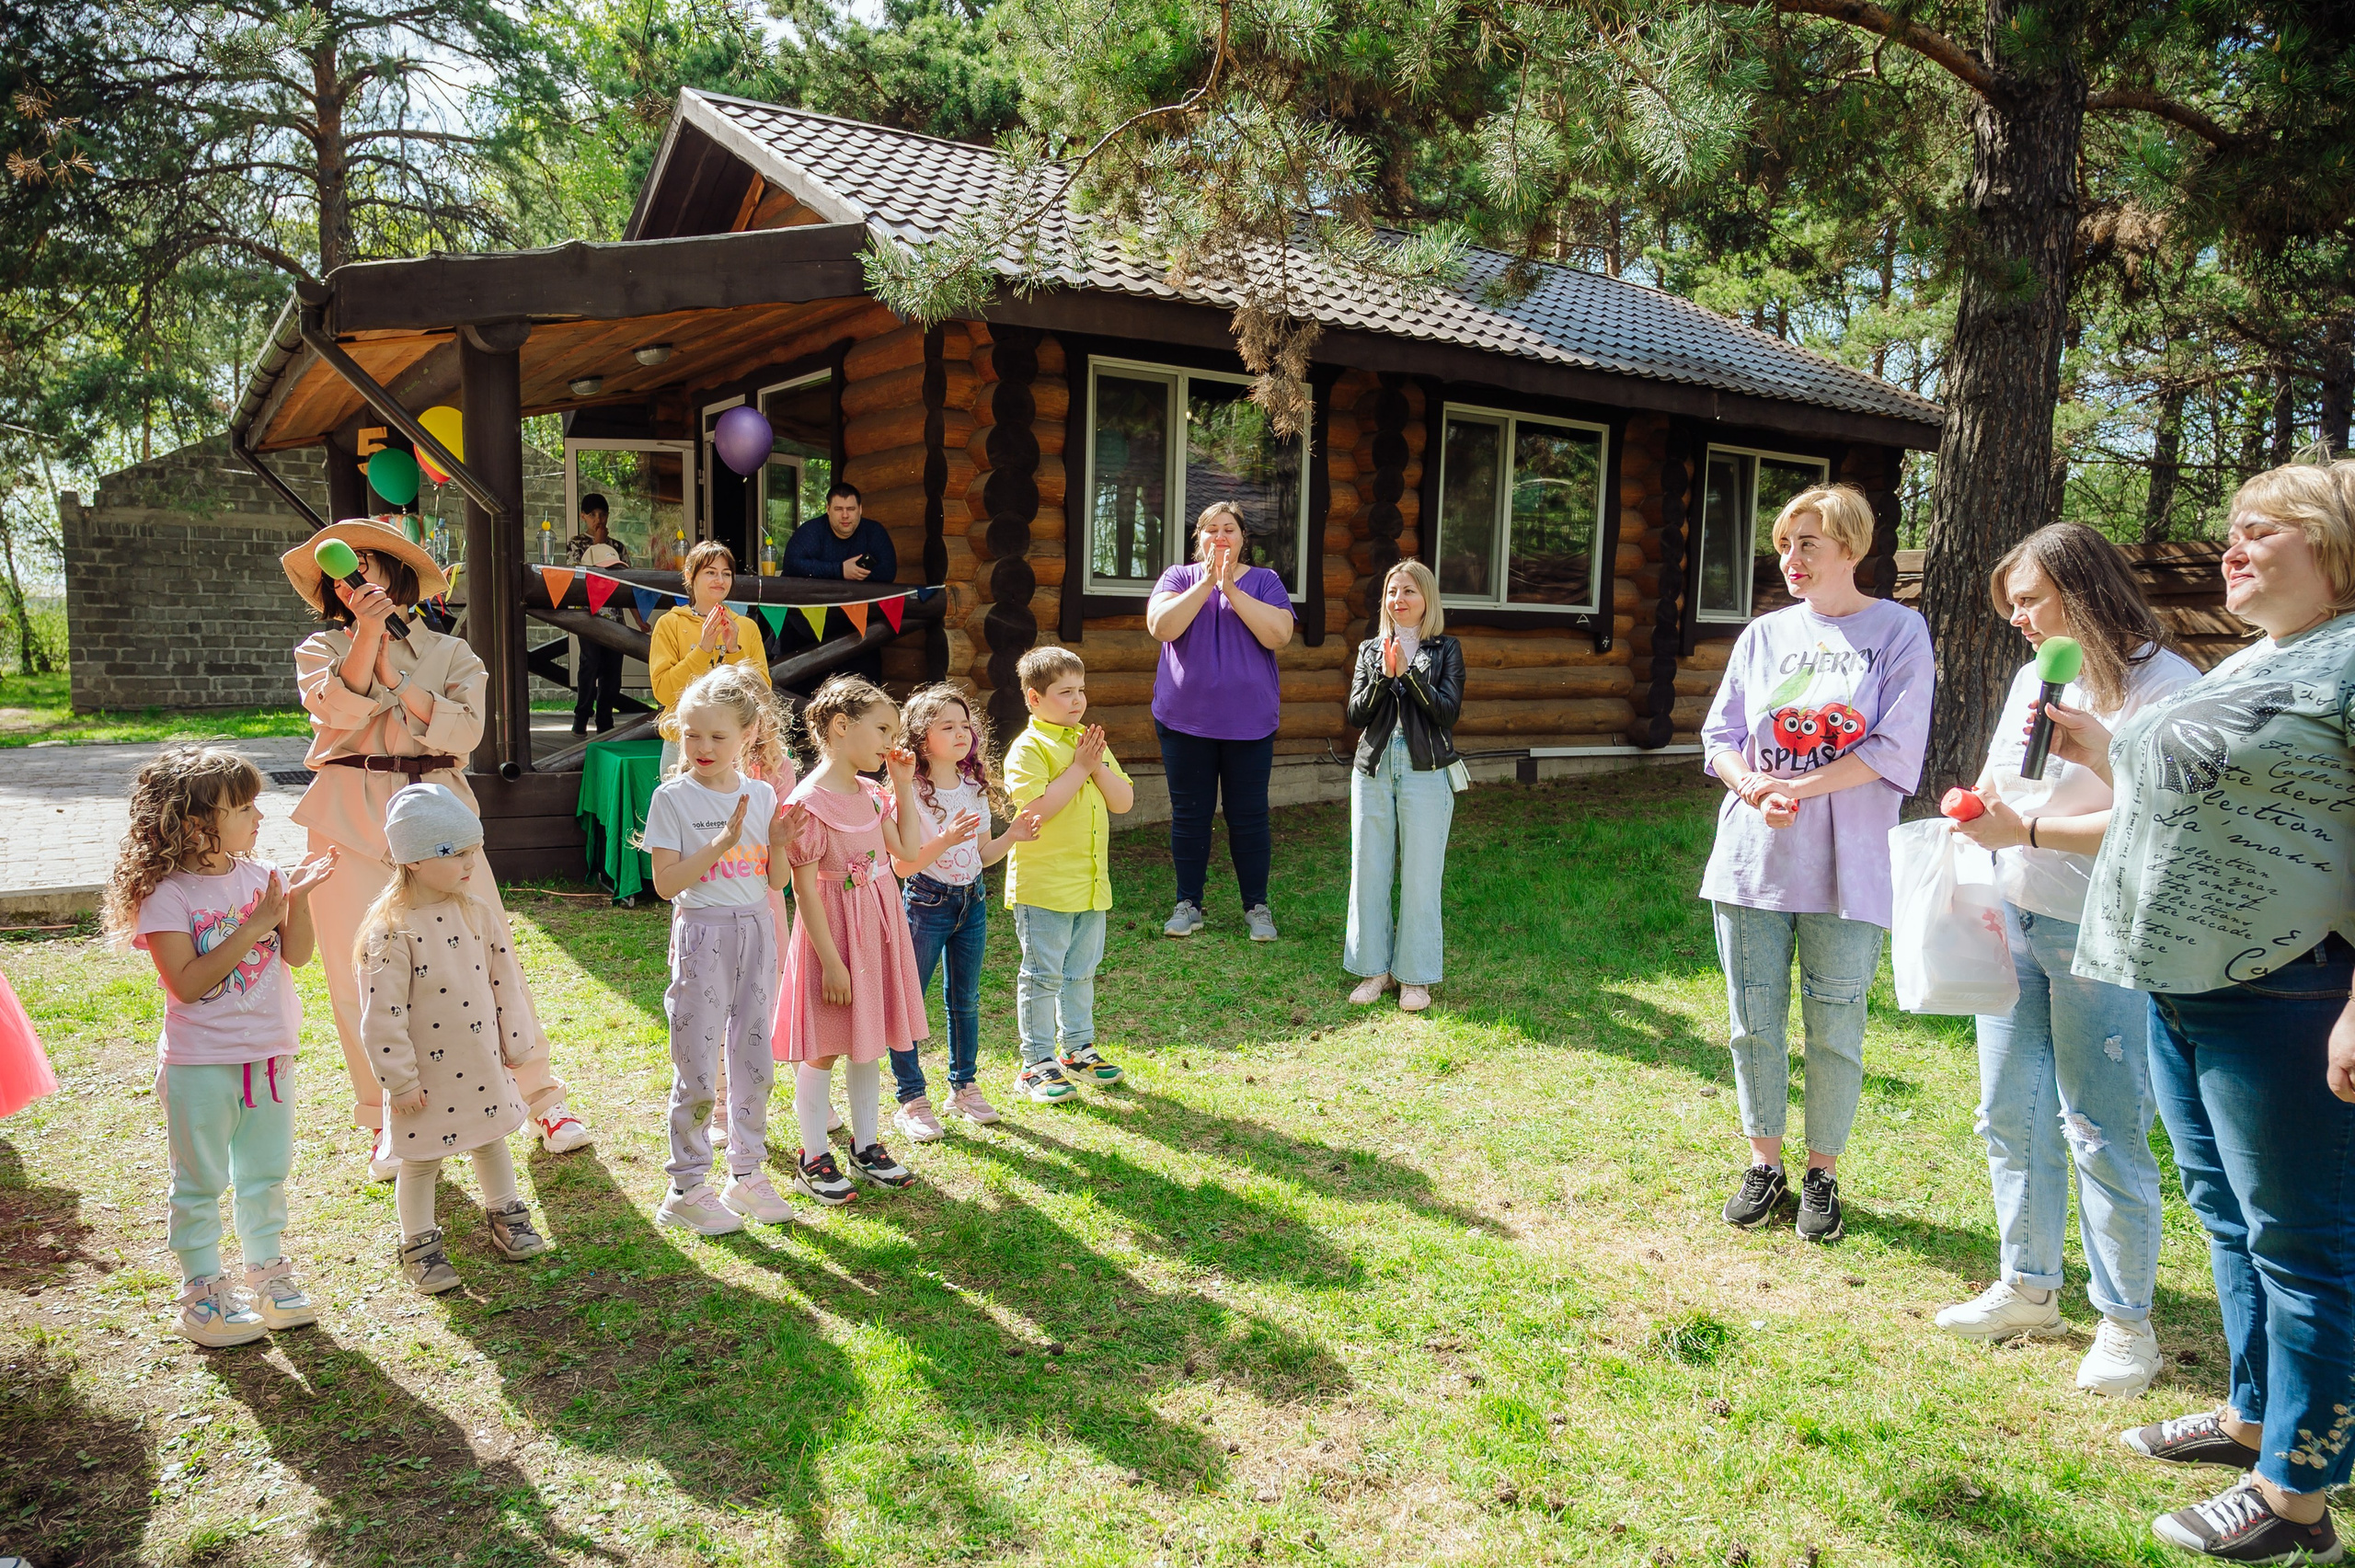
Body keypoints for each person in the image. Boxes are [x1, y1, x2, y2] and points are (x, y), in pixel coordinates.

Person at [2046, 462, 2355, 1562]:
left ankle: (2296, 1495)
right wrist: (2106, 747)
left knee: (2303, 1244)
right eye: (2226, 530)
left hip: (2289, 989)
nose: (2229, 547)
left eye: (2258, 530)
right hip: (2188, 988)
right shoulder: (2269, 655)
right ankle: (2252, 1417)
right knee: (2230, 1221)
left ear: (2332, 544)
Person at [1936, 523, 2198, 1398]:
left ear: (2081, 590)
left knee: (2101, 1127)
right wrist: (1976, 806)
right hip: (2014, 914)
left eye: (2029, 599)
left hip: (2106, 935)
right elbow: (2004, 778)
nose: (2016, 617)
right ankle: (2029, 1287)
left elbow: (2165, 817)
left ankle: (2127, 1324)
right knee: (2009, 1110)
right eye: (2010, 602)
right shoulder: (2034, 674)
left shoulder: (2167, 685)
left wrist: (2032, 829)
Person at [283, 518, 592, 1180]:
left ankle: (540, 1097)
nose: (358, 576)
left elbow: (464, 729)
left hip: (440, 809)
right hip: (347, 810)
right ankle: (387, 1116)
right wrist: (366, 640)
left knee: (488, 954)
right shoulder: (318, 647)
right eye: (348, 569)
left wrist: (394, 667)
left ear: (396, 576)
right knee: (357, 972)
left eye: (371, 564)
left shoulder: (453, 653)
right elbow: (337, 713)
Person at [1699, 483, 1933, 1245]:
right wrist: (1754, 785)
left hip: (1849, 862)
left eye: (1808, 543)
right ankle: (1763, 1163)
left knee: (1835, 1026)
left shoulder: (1899, 631)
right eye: (1784, 544)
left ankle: (1822, 1173)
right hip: (1752, 857)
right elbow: (1721, 736)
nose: (1791, 558)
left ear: (1852, 548)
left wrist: (1797, 785)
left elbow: (1895, 748)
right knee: (1751, 1022)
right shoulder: (1763, 636)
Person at [105, 745, 338, 1346]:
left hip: (268, 1055)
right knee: (201, 1178)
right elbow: (186, 984)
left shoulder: (262, 878)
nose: (259, 817)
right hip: (200, 1066)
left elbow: (298, 954)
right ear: (194, 822)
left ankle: (268, 1272)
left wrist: (297, 902)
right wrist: (257, 922)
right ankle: (202, 1290)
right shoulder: (166, 896)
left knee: (265, 1171)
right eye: (244, 806)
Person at [356, 785, 555, 1295]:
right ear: (415, 858)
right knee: (421, 1161)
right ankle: (419, 1245)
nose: (472, 862)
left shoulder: (477, 913)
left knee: (491, 1139)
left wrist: (516, 1043)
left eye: (474, 849)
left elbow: (503, 981)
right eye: (457, 853)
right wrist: (399, 1083)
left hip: (481, 1060)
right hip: (426, 1075)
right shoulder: (390, 932)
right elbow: (383, 1017)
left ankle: (506, 1215)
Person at [642, 667, 794, 1235]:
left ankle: (747, 1173)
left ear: (749, 734)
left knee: (754, 1059)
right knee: (698, 1063)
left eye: (718, 737)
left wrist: (775, 843)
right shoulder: (671, 797)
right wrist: (720, 844)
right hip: (702, 934)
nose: (703, 747)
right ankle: (686, 1186)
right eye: (692, 735)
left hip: (756, 930)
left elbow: (774, 880)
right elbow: (665, 884)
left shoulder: (761, 793)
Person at [774, 676, 929, 1205]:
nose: (891, 740)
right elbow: (806, 892)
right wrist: (831, 962)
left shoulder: (869, 792)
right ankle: (812, 1156)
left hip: (876, 933)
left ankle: (867, 1147)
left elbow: (906, 851)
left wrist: (903, 786)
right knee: (822, 1048)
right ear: (841, 727)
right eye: (883, 728)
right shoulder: (807, 805)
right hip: (834, 939)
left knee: (867, 1041)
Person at [886, 684, 1041, 1139]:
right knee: (910, 1001)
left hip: (971, 902)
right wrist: (945, 839)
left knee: (965, 1000)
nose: (961, 733)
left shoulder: (973, 785)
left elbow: (983, 853)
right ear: (920, 737)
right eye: (947, 726)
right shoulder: (909, 789)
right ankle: (912, 1098)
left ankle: (964, 1087)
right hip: (926, 902)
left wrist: (1011, 836)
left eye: (965, 724)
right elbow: (904, 863)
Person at [1146, 500, 1296, 942]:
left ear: (1242, 538)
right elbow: (1162, 627)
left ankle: (1257, 907)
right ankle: (1188, 904)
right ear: (1200, 539)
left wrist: (1230, 588)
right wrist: (1209, 582)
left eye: (1229, 529)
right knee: (1189, 816)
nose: (1220, 537)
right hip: (1184, 722)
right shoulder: (1178, 577)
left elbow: (1279, 634)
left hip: (1249, 724)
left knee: (1248, 817)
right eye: (1211, 530)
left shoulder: (1265, 582)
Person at [1003, 647, 1136, 1102]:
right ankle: (1035, 1062)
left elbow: (1123, 802)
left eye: (1081, 690)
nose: (1077, 701)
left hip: (1090, 883)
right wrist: (1081, 768)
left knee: (1081, 972)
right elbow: (1036, 812)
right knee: (1042, 976)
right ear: (1033, 699)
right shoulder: (1028, 748)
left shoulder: (1088, 743)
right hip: (1044, 886)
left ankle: (1077, 1050)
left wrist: (1093, 764)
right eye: (1064, 693)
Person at [1343, 559, 1464, 1013]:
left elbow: (1447, 713)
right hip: (1372, 769)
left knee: (1419, 874)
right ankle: (1375, 971)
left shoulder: (1447, 649)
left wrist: (1408, 673)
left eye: (1409, 591)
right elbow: (1356, 714)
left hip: (1426, 771)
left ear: (1426, 599)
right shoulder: (1369, 649)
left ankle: (1415, 978)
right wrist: (1384, 674)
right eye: (1393, 592)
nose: (1399, 600)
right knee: (1368, 871)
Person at [648, 541, 772, 773]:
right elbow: (663, 692)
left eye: (726, 574)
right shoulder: (669, 623)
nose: (720, 580)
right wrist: (703, 649)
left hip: (735, 746)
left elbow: (761, 695)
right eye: (711, 572)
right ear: (689, 575)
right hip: (682, 742)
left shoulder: (746, 627)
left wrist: (735, 651)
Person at [782, 482, 897, 683]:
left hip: (859, 632)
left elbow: (889, 571)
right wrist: (840, 570)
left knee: (864, 694)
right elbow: (793, 564)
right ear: (828, 510)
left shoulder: (873, 532)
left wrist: (858, 574)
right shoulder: (811, 531)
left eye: (851, 509)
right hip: (806, 632)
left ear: (860, 510)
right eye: (839, 509)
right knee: (801, 694)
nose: (845, 515)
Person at [567, 493, 631, 737]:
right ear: (583, 517)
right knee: (589, 665)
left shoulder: (618, 548)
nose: (598, 519)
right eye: (592, 514)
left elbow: (629, 584)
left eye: (602, 514)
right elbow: (577, 573)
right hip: (588, 616)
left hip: (614, 617)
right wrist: (596, 544)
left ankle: (605, 720)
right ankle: (581, 716)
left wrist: (638, 618)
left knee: (613, 672)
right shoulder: (577, 543)